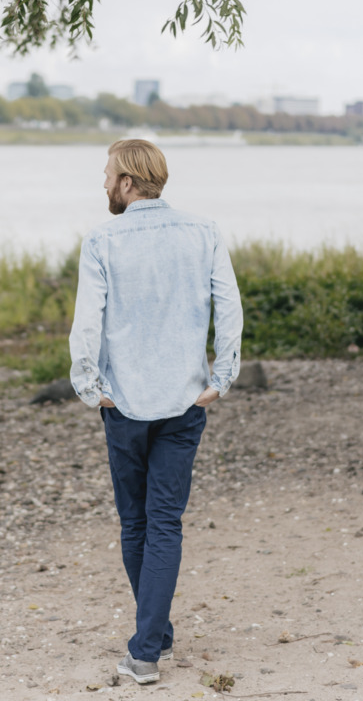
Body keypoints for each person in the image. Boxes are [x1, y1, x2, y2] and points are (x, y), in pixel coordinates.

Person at [68, 138, 244, 684]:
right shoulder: (204, 231)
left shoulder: (101, 240)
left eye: (106, 175)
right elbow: (229, 304)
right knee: (164, 521)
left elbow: (87, 322)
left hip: (126, 403)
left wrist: (87, 384)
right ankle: (157, 633)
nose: (101, 184)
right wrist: (223, 377)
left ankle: (144, 654)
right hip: (185, 400)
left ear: (126, 182)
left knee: (138, 522)